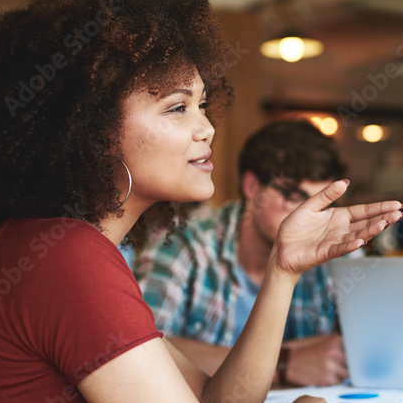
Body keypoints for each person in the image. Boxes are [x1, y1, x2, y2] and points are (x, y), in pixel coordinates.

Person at [0, 0, 403, 403]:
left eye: (203, 104)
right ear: (93, 131)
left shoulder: (53, 245)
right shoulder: (65, 258)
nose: (207, 127)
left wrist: (284, 271)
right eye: (177, 107)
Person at [135, 120, 350, 387]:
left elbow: (367, 348)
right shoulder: (183, 242)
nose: (311, 217)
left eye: (323, 202)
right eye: (295, 196)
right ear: (251, 187)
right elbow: (142, 351)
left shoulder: (337, 255)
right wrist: (285, 363)